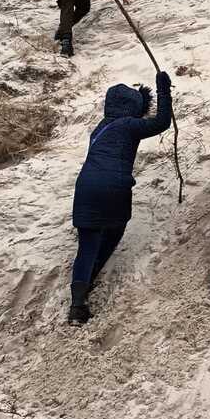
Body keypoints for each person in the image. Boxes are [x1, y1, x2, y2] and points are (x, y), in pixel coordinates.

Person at [68, 70, 172, 325]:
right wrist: (163, 89)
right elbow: (162, 122)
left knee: (87, 243)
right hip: (114, 187)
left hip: (85, 187)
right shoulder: (128, 125)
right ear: (132, 107)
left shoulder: (99, 129)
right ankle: (92, 274)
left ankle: (77, 305)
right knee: (116, 229)